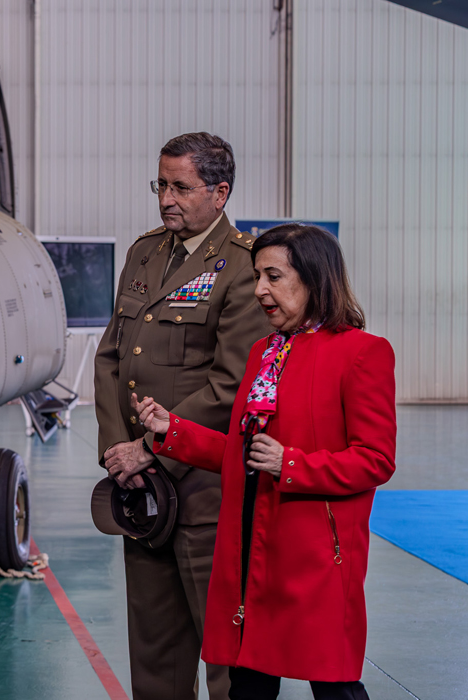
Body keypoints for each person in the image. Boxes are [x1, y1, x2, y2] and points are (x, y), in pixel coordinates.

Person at [132, 224, 395, 700]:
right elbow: (243, 454)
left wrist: (291, 465)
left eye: (273, 276)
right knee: (248, 681)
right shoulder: (263, 354)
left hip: (314, 555)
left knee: (333, 684)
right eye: (257, 276)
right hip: (252, 547)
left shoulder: (362, 354)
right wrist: (173, 431)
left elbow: (375, 460)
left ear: (314, 279)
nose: (260, 291)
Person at [94, 132, 272, 699]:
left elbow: (233, 385)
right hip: (142, 492)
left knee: (224, 656)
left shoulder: (243, 267)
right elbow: (112, 359)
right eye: (161, 184)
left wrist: (150, 450)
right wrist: (118, 453)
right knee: (154, 657)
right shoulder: (144, 253)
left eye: (181, 187)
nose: (167, 198)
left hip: (205, 492)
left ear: (220, 192)